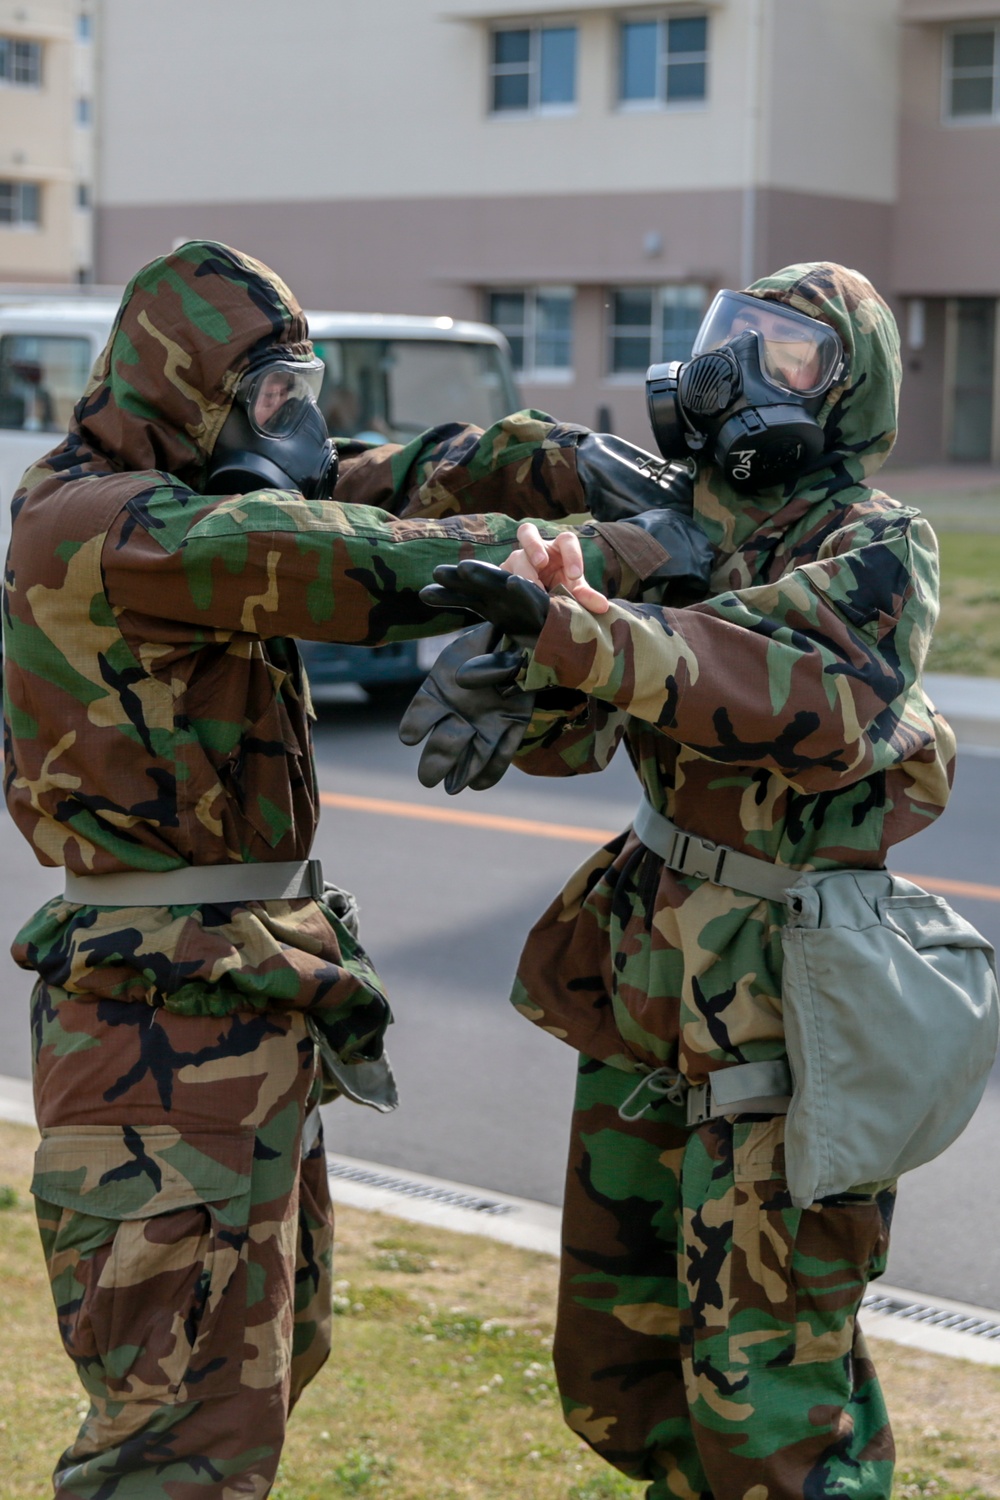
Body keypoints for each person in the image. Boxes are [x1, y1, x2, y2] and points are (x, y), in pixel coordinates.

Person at [5, 239, 712, 1499]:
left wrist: (553, 454)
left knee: (272, 1360)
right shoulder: (104, 523)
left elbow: (378, 476)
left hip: (238, 1000)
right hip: (159, 1025)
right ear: (182, 385)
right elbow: (349, 555)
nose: (300, 420)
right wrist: (605, 554)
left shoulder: (192, 472)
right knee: (173, 1440)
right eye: (271, 393)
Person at [402, 261, 956, 1499]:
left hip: (790, 1004)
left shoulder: (874, 544)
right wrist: (525, 664)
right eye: (730, 338)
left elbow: (786, 693)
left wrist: (579, 632)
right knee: (619, 1359)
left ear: (850, 393)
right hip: (655, 993)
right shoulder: (687, 528)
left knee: (771, 1400)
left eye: (787, 356)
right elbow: (577, 739)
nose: (732, 374)